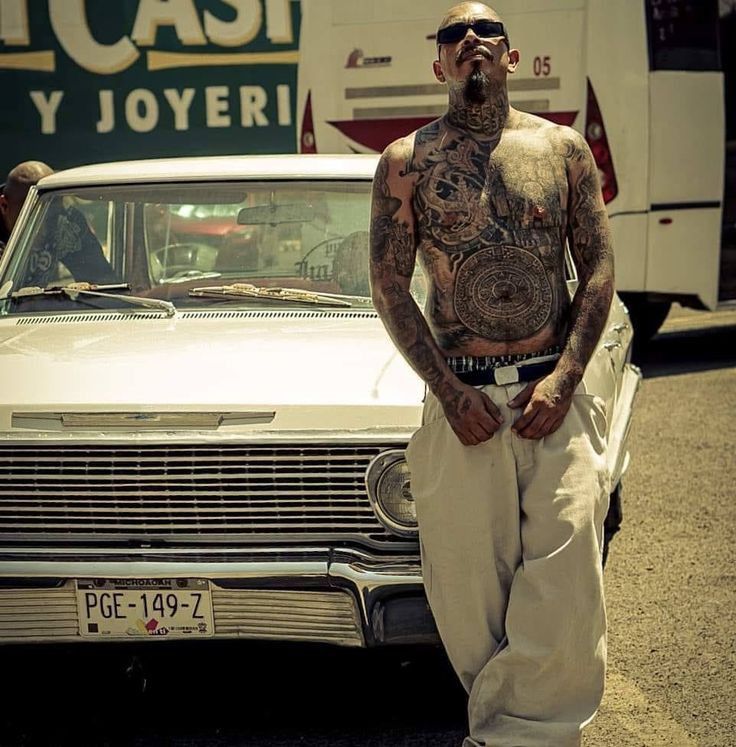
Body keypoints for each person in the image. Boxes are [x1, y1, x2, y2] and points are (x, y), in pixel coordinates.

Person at [369, 3, 614, 746]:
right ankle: (512, 725)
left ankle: (518, 737)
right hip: (464, 402)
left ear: (512, 57)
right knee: (469, 590)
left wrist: (566, 380)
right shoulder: (406, 164)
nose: (469, 41)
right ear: (437, 64)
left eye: (485, 32)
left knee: (568, 574)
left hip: (551, 394)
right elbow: (387, 284)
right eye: (453, 35)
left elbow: (598, 270)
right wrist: (450, 394)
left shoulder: (564, 150)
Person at [0, 160, 118, 286]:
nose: (42, 225)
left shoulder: (67, 223)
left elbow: (101, 279)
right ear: (4, 206)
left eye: (52, 211)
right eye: (31, 213)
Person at [0, 160, 54, 254]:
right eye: (31, 210)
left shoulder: (65, 222)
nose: (42, 221)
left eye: (51, 207)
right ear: (4, 206)